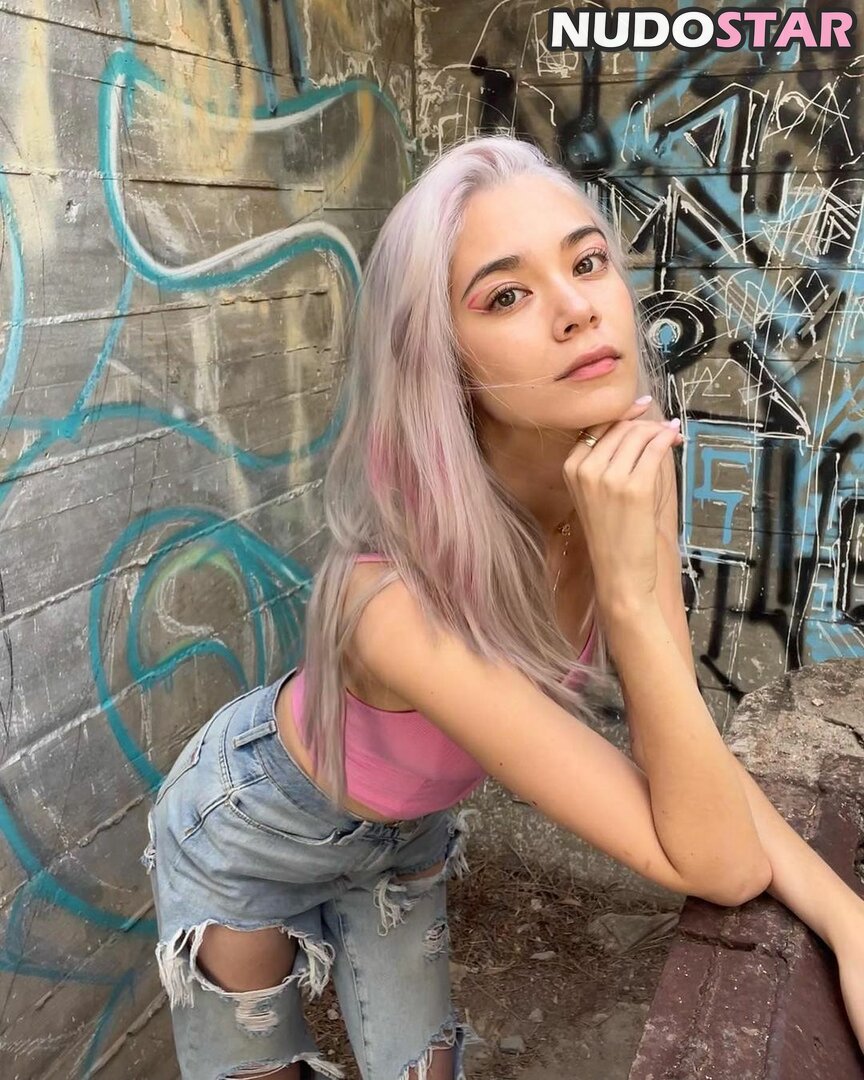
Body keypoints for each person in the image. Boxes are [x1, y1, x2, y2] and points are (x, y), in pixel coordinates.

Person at [142, 135, 864, 1080]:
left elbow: (688, 767)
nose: (577, 308)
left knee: (426, 1066)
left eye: (587, 262)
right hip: (253, 822)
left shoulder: (620, 480)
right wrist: (632, 601)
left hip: (407, 833)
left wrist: (848, 923)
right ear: (443, 361)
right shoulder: (388, 603)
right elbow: (719, 866)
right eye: (507, 295)